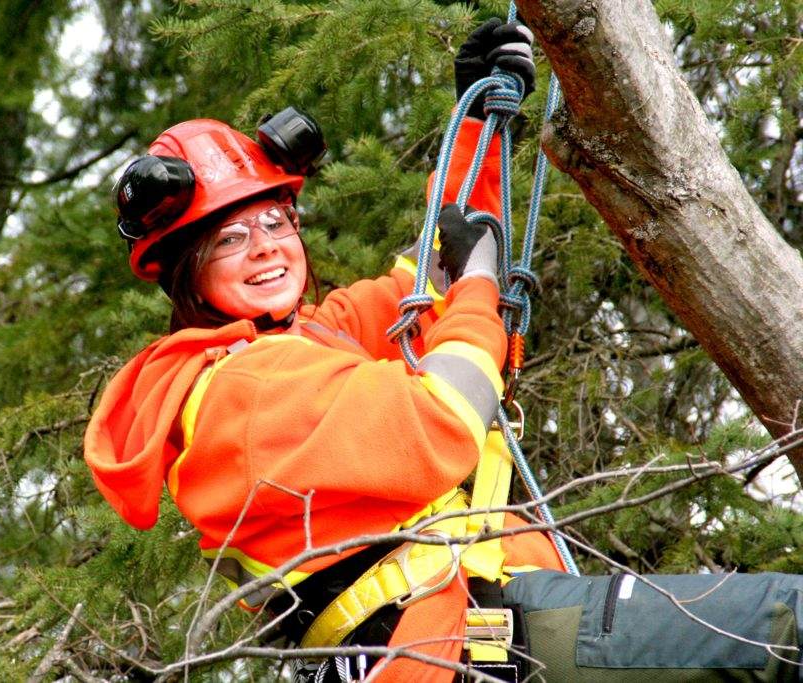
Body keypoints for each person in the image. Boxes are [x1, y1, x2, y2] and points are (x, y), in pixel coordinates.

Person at [84, 18, 560, 682]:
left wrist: (476, 124)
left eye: (275, 221)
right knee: (756, 632)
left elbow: (430, 289)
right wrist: (480, 280)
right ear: (187, 271)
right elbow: (444, 414)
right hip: (439, 648)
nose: (266, 246)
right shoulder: (239, 392)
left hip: (489, 623)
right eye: (229, 238)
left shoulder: (315, 339)